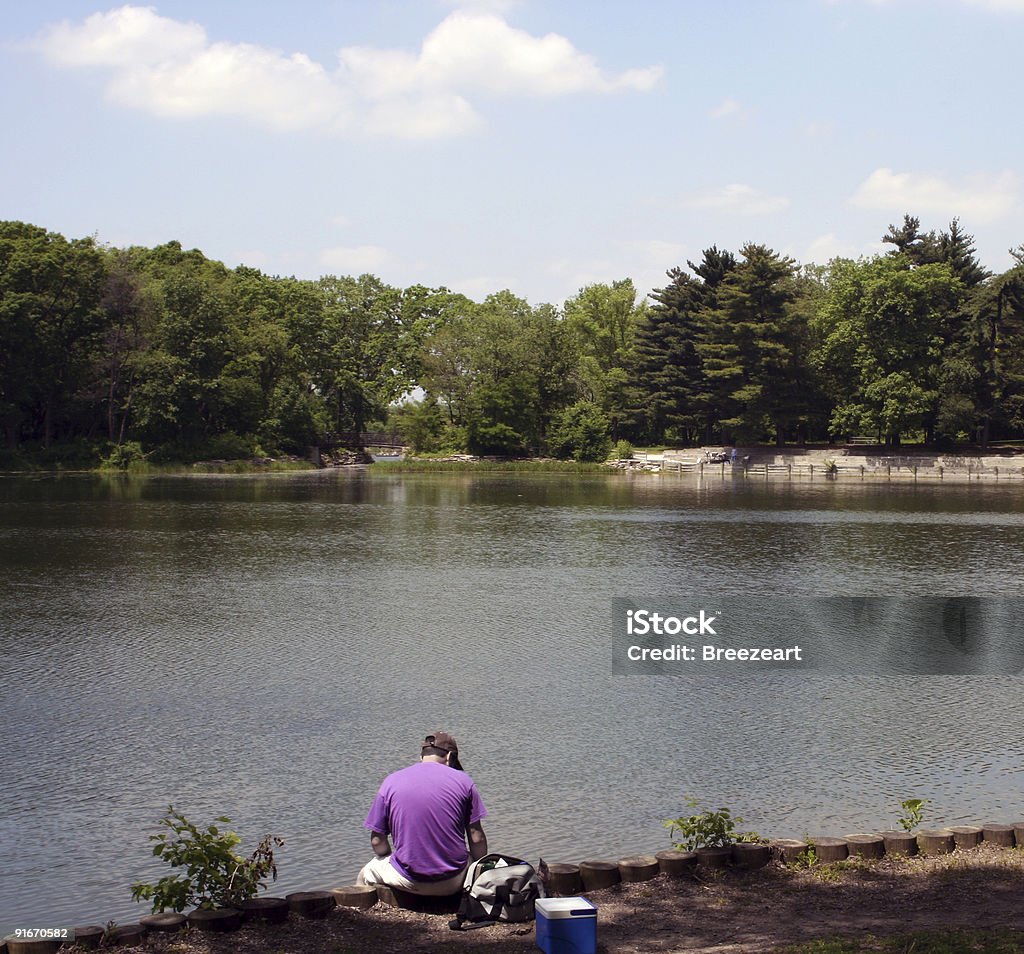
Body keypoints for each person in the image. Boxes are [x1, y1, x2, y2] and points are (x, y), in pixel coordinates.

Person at [356, 731, 488, 895]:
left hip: (408, 879)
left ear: (421, 757)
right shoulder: (464, 781)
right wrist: (478, 866)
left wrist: (389, 858)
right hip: (453, 880)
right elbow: (477, 838)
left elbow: (377, 841)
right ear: (450, 757)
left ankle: (359, 912)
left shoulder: (390, 782)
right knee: (470, 859)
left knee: (365, 873)